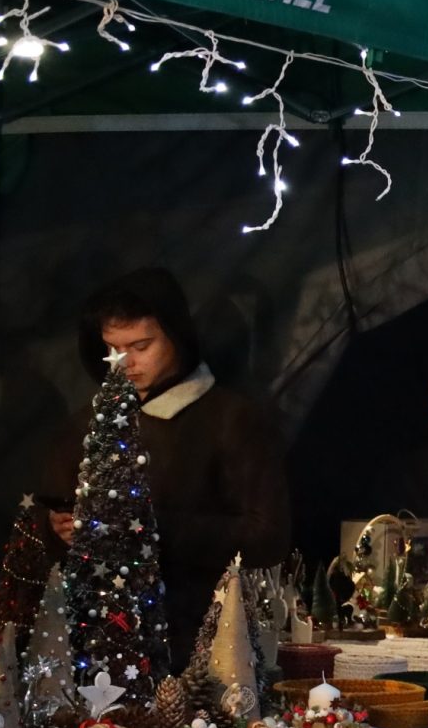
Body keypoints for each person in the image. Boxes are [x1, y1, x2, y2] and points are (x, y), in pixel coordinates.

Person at [44, 268, 291, 666]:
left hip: (201, 644)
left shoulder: (231, 419)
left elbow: (268, 537)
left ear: (176, 335)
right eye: (113, 348)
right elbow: (53, 524)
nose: (125, 362)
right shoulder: (84, 426)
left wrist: (148, 526)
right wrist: (62, 530)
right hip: (96, 643)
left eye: (142, 345)